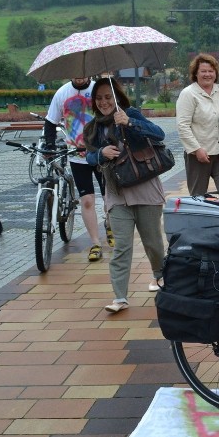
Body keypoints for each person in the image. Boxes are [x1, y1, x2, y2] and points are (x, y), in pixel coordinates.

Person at [83, 78, 167, 314]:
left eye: (108, 97)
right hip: (117, 193)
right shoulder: (94, 127)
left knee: (153, 244)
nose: (104, 102)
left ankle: (161, 279)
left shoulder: (130, 113)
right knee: (121, 247)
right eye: (98, 98)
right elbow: (88, 158)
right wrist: (101, 153)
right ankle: (120, 297)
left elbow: (159, 134)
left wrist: (130, 122)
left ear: (117, 96)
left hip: (145, 189)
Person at [44, 77, 110, 262]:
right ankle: (95, 243)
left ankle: (110, 223)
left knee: (109, 196)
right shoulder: (62, 93)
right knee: (87, 200)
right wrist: (49, 146)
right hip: (77, 155)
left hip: (99, 153)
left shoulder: (98, 89)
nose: (79, 76)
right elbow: (50, 122)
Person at [176, 54, 219, 197]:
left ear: (216, 73)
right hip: (199, 154)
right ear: (195, 73)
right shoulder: (188, 94)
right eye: (203, 71)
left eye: (211, 71)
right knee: (198, 196)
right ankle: (200, 219)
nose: (207, 74)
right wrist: (197, 150)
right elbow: (182, 126)